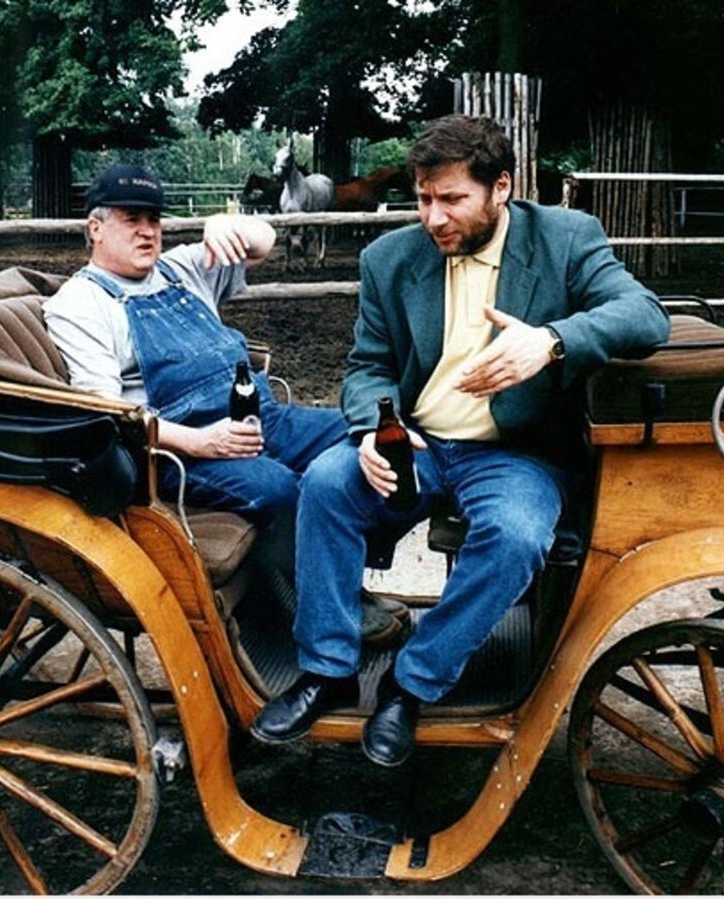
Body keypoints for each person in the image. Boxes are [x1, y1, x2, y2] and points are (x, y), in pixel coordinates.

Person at [251, 115, 672, 766]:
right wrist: (371, 429)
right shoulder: (390, 259)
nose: (433, 216)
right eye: (423, 197)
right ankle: (327, 666)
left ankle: (412, 681)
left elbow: (645, 316)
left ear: (500, 188)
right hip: (416, 441)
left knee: (517, 533)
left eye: (452, 199)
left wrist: (551, 340)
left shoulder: (564, 238)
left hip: (514, 451)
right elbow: (368, 366)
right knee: (328, 482)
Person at [44, 163, 408, 642]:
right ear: (96, 227)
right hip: (174, 451)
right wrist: (200, 441)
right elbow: (110, 415)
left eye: (154, 220)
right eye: (132, 219)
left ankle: (339, 579)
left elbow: (264, 242)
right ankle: (327, 604)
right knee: (277, 487)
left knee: (362, 440)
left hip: (260, 417)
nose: (148, 231)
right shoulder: (81, 304)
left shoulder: (179, 268)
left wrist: (227, 225)